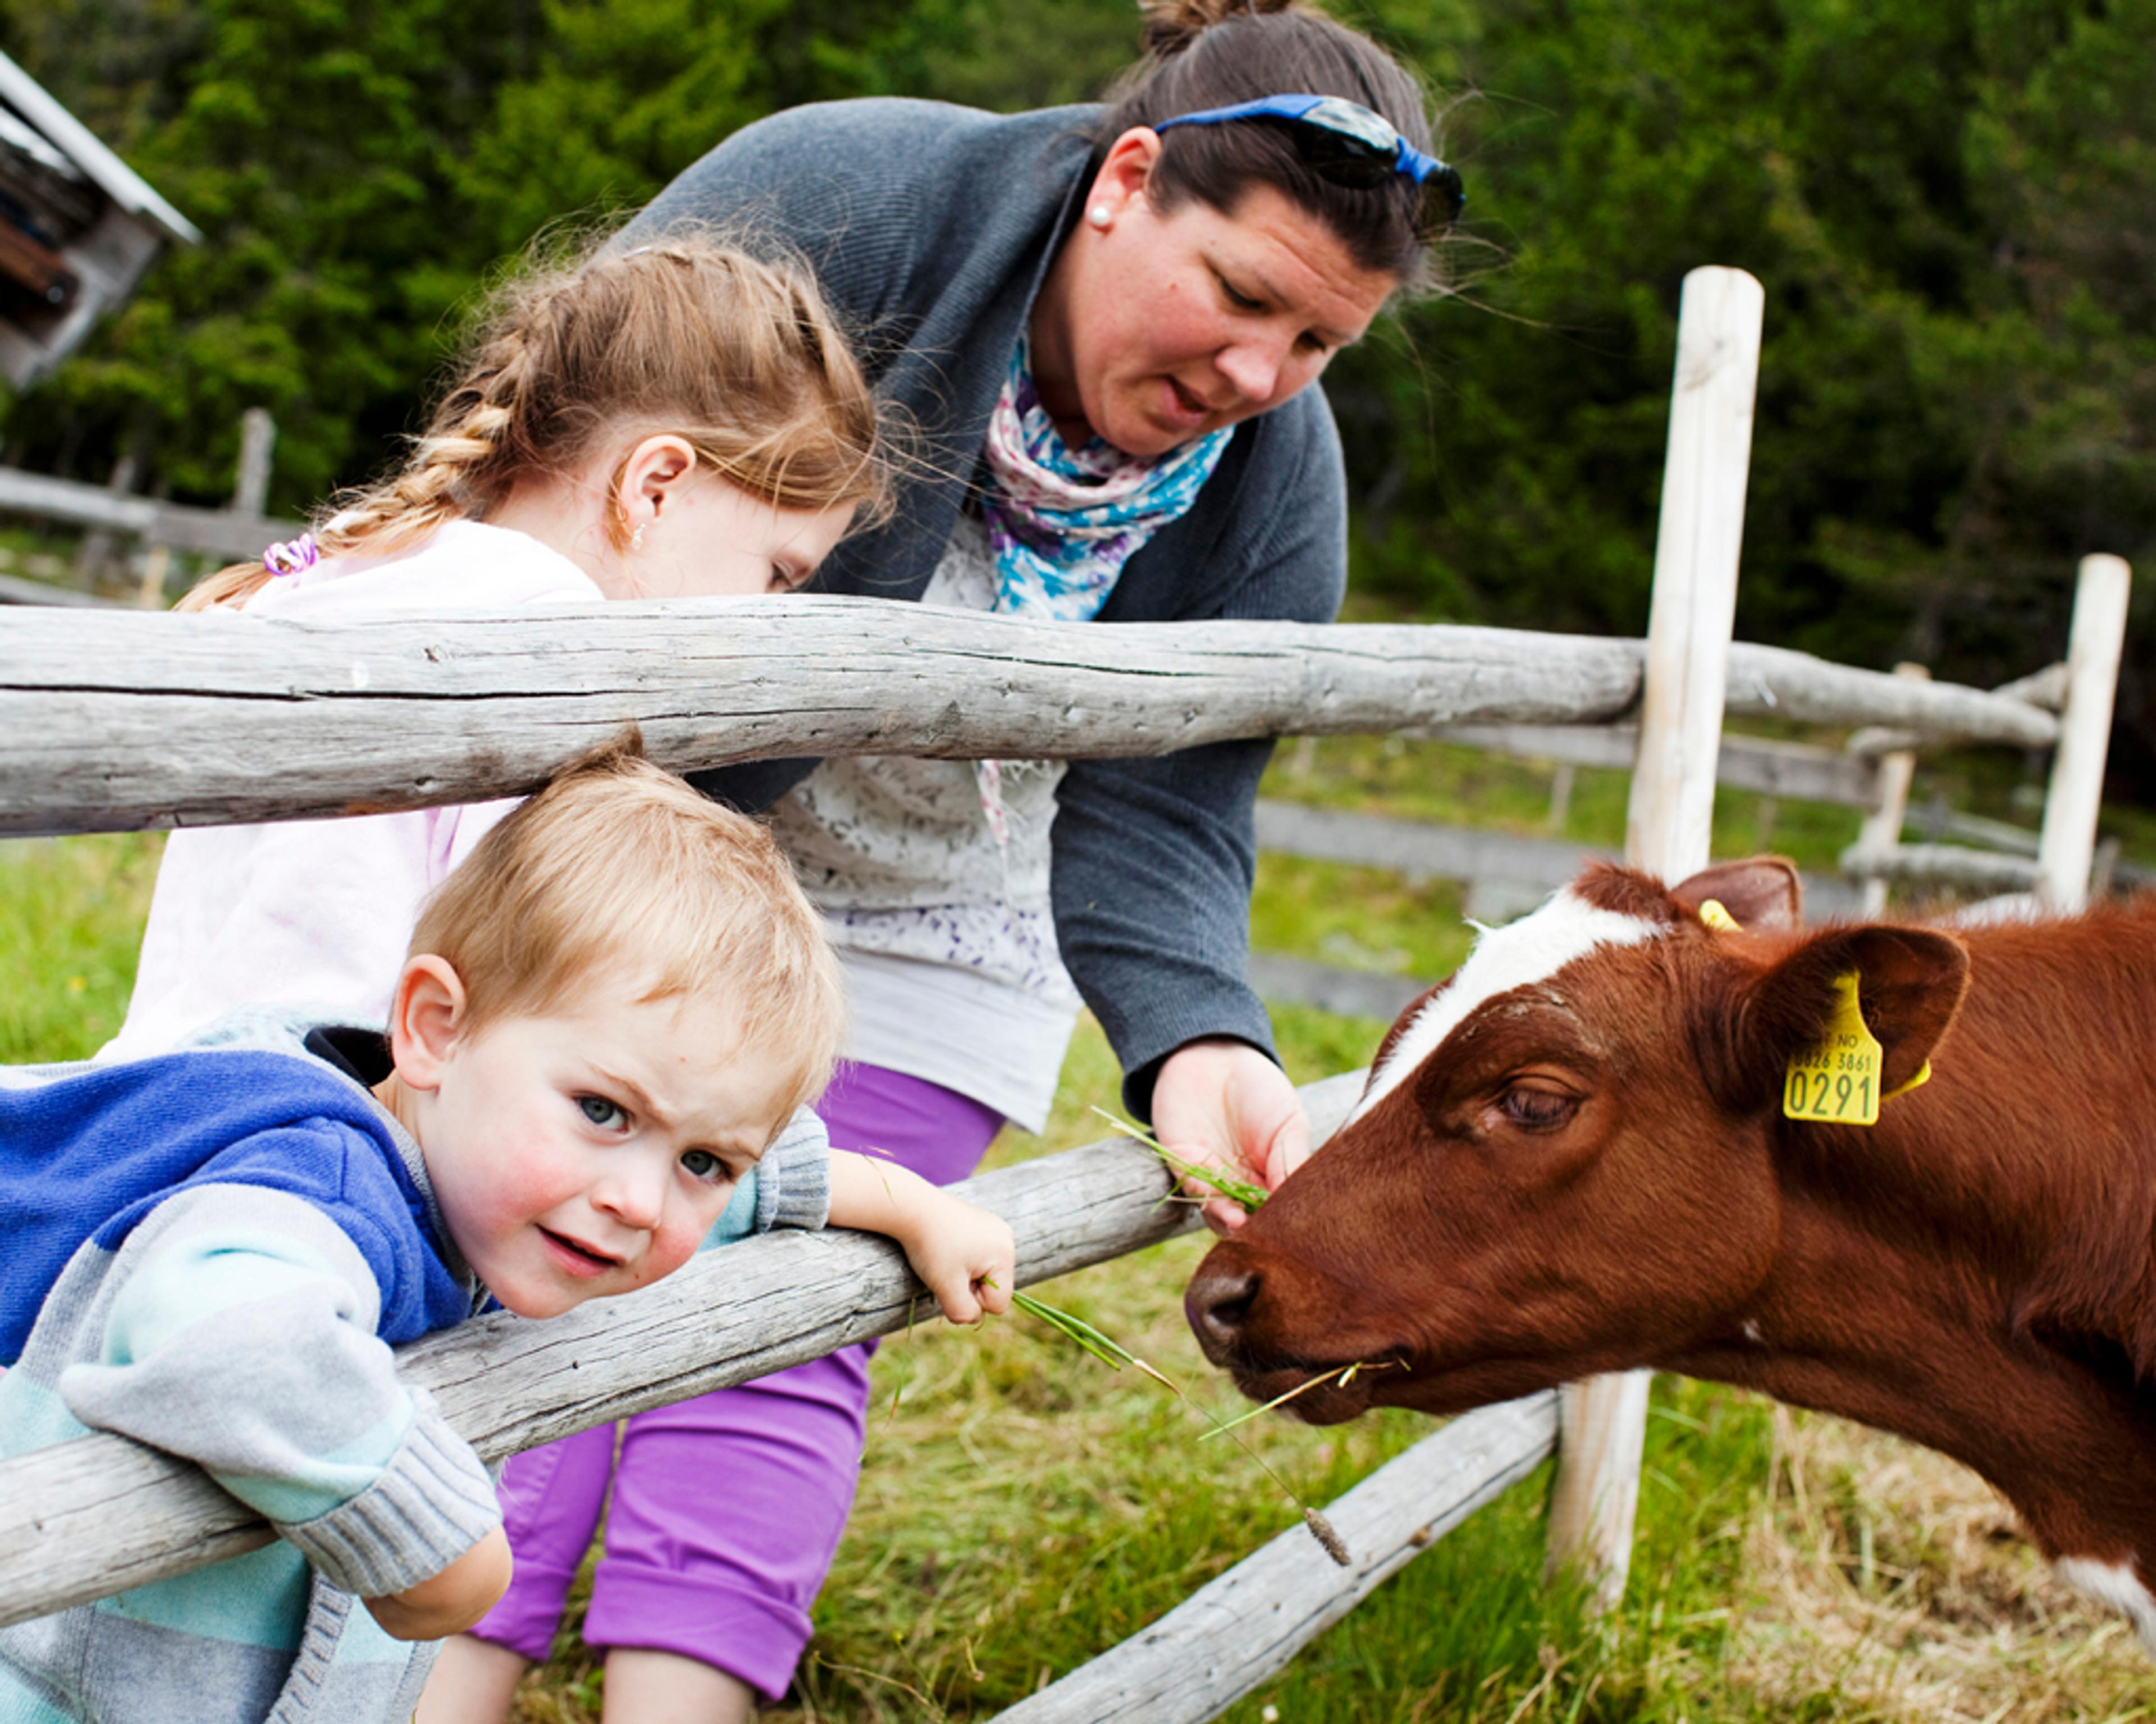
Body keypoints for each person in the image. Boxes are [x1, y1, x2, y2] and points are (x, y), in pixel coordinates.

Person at [427, 1, 1466, 1716]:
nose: (1261, 378)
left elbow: (1176, 803)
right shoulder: (844, 201)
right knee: (536, 1270)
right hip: (656, 837)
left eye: (1321, 344)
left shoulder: (1272, 478)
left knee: (782, 1319)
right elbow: (562, 478)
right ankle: (432, 1683)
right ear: (1129, 179)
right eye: (1243, 298)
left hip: (938, 912)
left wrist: (1200, 1047)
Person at [0, 746, 1017, 1724]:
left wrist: (899, 1199)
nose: (640, 1202)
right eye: (605, 1112)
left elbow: (715, 1174)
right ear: (437, 1029)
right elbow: (218, 1331)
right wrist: (430, 1542)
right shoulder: (316, 1182)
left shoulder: (486, 1162)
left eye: (701, 1162)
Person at [106, 233, 887, 1061]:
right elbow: (540, 988)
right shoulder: (556, 645)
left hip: (167, 1084)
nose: (772, 616)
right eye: (776, 572)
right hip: (324, 1128)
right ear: (654, 487)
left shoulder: (378, 570)